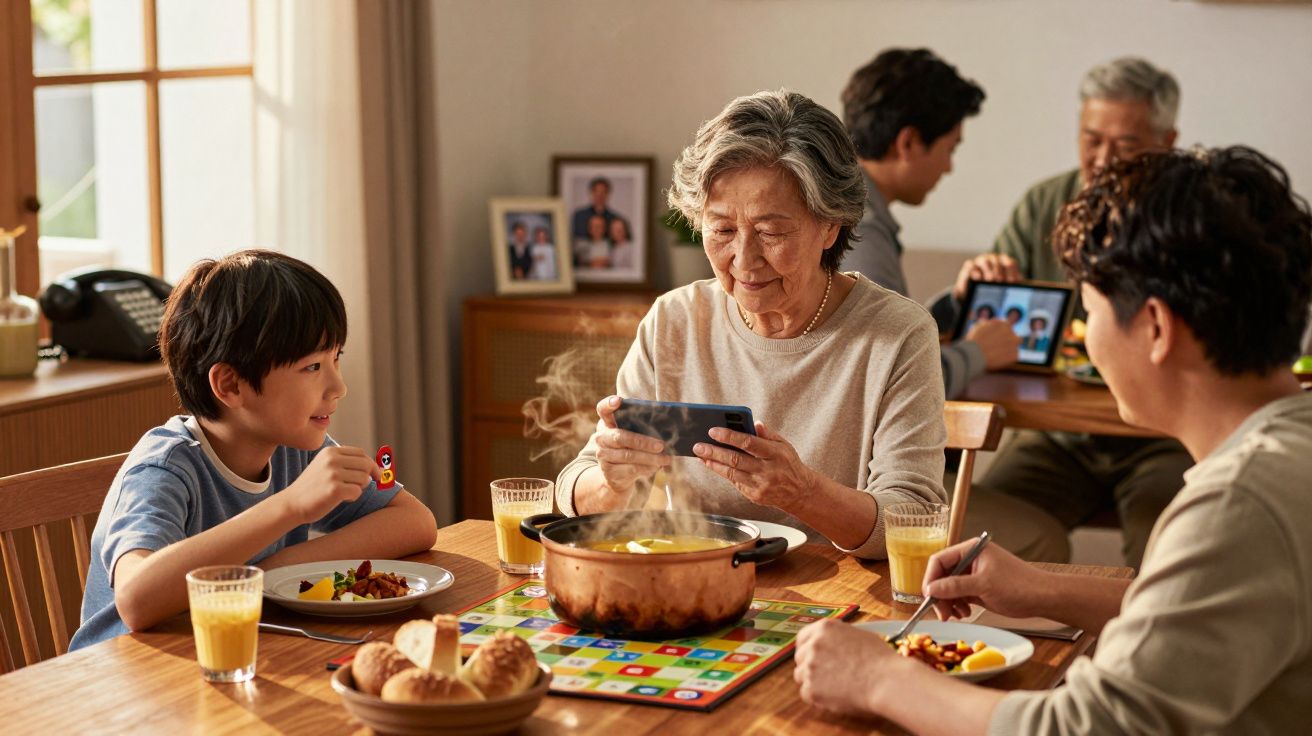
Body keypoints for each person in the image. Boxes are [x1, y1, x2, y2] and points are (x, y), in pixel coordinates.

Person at [795, 145, 1312, 735]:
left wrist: (877, 678)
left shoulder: (1238, 503)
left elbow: (1086, 728)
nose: (1087, 337)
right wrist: (1038, 588)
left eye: (1089, 313)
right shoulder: (1287, 450)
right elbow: (1212, 612)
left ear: (1155, 327)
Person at [555, 90, 947, 559]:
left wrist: (802, 492)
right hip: (698, 583)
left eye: (771, 232)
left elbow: (914, 520)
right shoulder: (676, 320)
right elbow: (574, 488)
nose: (744, 260)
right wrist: (613, 482)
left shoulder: (899, 334)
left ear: (831, 226)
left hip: (844, 601)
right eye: (721, 230)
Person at [69, 250, 438, 650]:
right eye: (312, 367)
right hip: (125, 685)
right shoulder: (165, 468)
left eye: (337, 359)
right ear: (230, 385)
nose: (338, 387)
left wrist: (268, 573)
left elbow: (414, 521)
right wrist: (289, 507)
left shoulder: (293, 449)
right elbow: (136, 600)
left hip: (231, 657)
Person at [946, 57, 1193, 566]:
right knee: (977, 544)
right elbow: (990, 328)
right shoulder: (1044, 204)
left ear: (1167, 141)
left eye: (1124, 145)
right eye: (1090, 138)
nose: (1102, 159)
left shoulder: (1194, 216)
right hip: (1057, 440)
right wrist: (978, 287)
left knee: (1170, 558)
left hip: (1161, 436)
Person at [841, 48, 1019, 399]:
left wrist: (957, 304)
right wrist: (978, 353)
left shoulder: (852, 209)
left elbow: (890, 342)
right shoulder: (861, 226)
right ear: (908, 142)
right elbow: (898, 379)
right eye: (950, 149)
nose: (949, 167)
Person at [570, 176, 628, 244]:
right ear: (591, 192)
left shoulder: (615, 219)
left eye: (603, 192)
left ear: (608, 194)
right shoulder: (579, 216)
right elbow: (571, 241)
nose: (599, 195)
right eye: (597, 191)